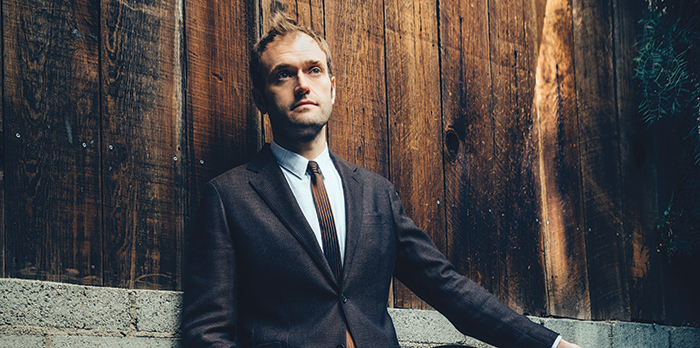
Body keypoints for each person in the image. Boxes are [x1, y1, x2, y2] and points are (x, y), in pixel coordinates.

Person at [182, 13, 583, 348]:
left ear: (332, 88)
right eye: (283, 74)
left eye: (314, 70)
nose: (303, 83)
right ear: (261, 97)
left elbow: (448, 288)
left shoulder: (375, 194)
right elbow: (206, 333)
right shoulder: (229, 197)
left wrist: (550, 344)